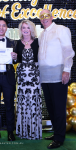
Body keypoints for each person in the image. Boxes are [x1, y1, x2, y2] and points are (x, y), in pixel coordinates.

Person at [38, 9, 75, 149]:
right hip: (45, 76)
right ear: (40, 19)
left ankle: (60, 138)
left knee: (59, 107)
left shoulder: (61, 29)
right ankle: (57, 132)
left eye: (46, 15)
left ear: (52, 17)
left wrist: (67, 69)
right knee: (51, 107)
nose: (44, 18)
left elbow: (68, 51)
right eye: (42, 16)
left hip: (58, 74)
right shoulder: (41, 34)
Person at [15, 20, 42, 140]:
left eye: (28, 27)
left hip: (35, 77)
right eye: (23, 28)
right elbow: (15, 60)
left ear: (32, 29)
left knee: (34, 102)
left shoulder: (38, 42)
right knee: (23, 103)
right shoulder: (17, 43)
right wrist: (14, 58)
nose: (25, 30)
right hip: (22, 77)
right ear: (20, 30)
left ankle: (34, 132)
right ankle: (23, 132)